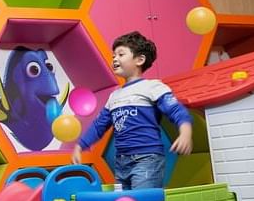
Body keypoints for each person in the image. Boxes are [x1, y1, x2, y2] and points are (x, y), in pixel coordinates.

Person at [72, 31, 193, 190]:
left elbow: (176, 111)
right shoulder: (114, 96)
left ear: (140, 60)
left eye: (121, 54)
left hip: (147, 159)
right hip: (121, 162)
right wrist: (80, 146)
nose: (114, 58)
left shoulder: (152, 87)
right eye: (113, 55)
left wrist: (185, 133)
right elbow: (98, 125)